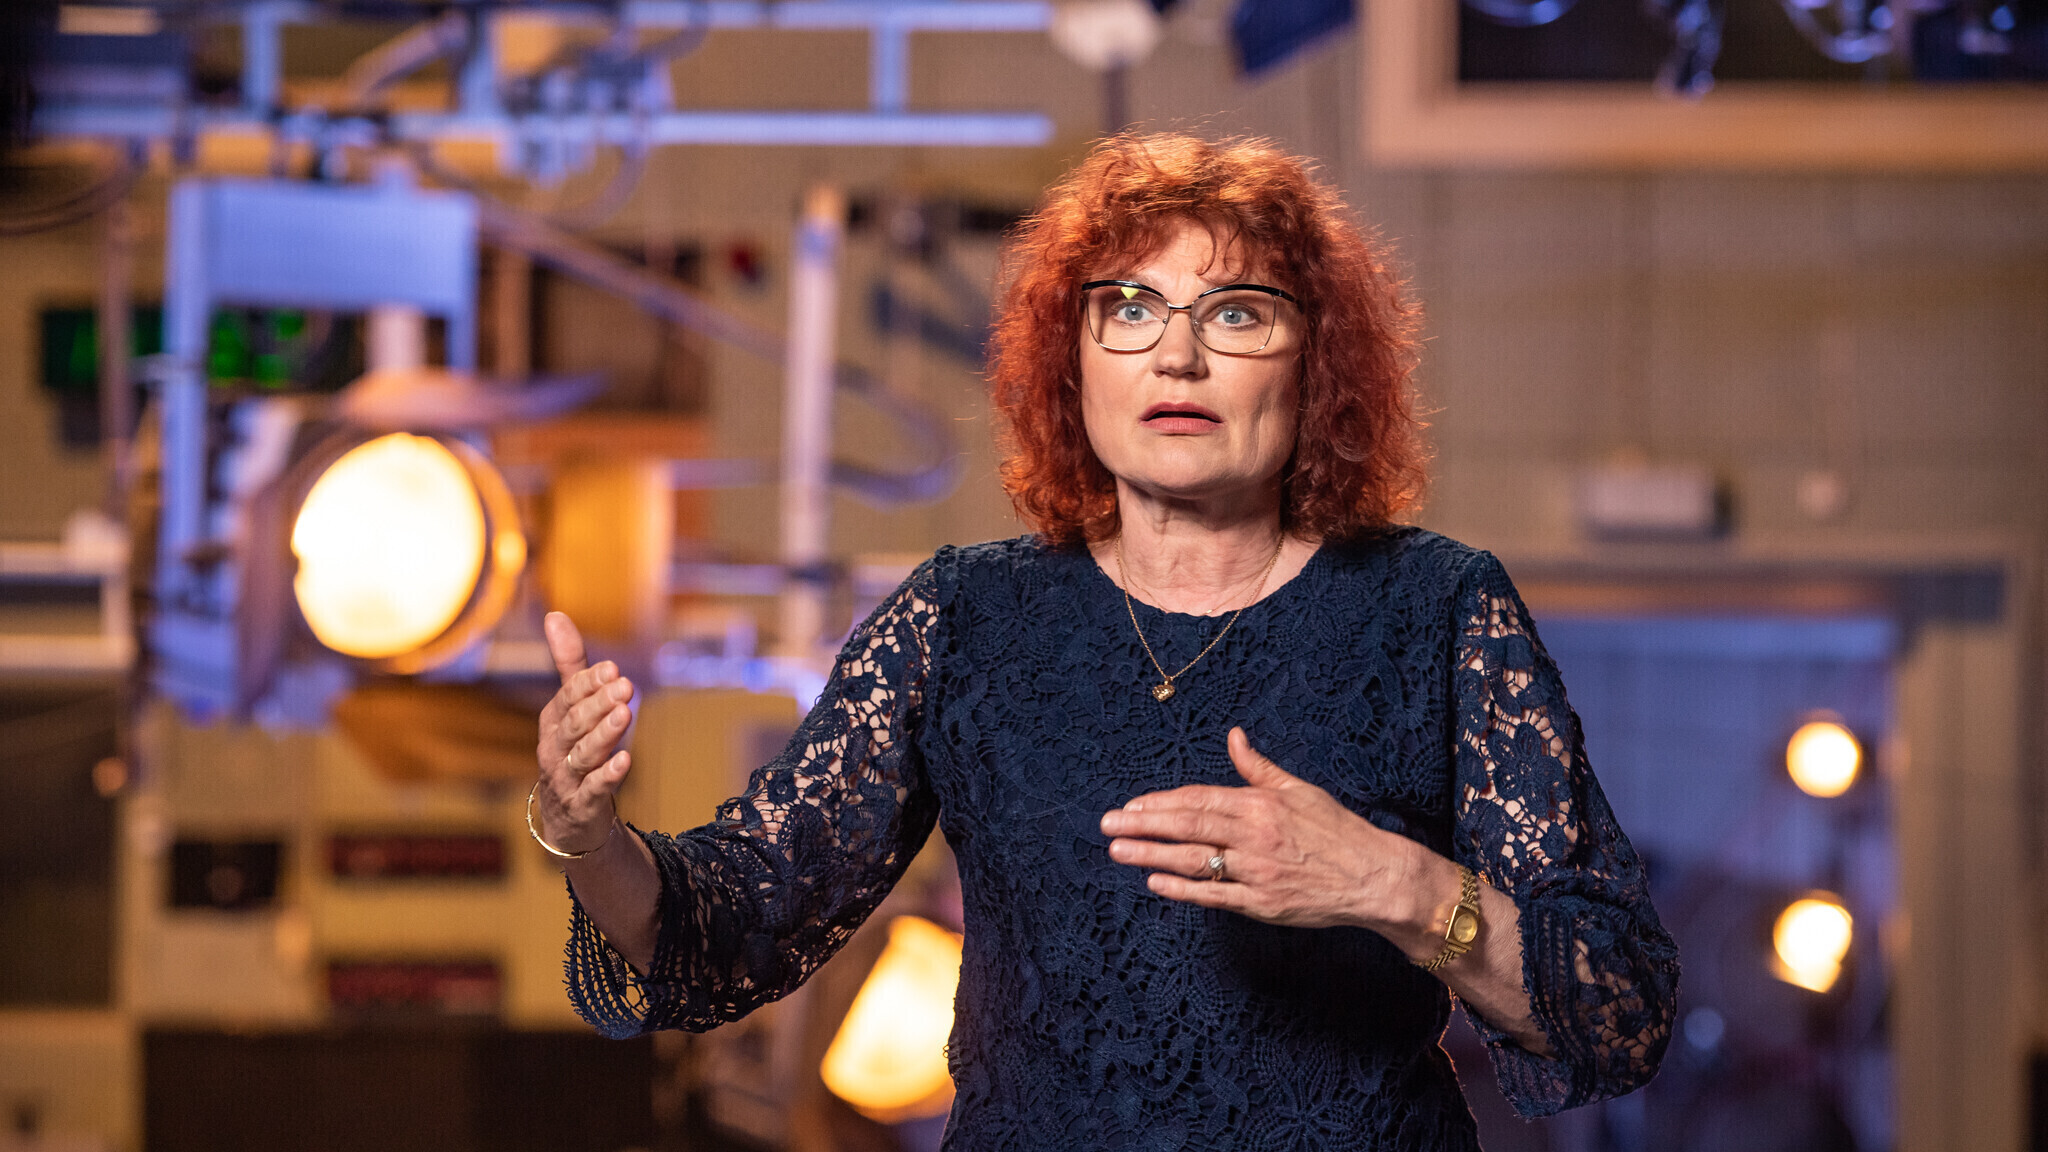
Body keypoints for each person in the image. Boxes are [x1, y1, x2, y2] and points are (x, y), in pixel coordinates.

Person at [530, 133, 1679, 1150]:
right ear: (1070, 359)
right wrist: (585, 837)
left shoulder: (1432, 610)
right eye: (1129, 309)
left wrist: (1397, 886)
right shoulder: (960, 620)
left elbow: (1616, 1010)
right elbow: (722, 927)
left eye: (1235, 312)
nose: (1176, 356)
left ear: (1317, 363)